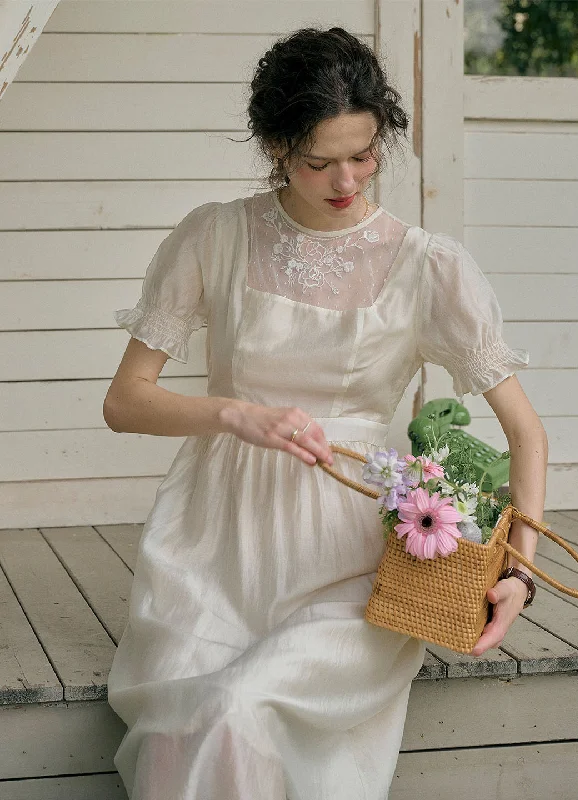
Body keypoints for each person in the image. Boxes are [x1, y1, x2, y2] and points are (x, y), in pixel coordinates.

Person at [104, 26, 548, 800]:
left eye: (365, 153)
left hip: (353, 553)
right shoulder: (216, 235)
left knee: (240, 708)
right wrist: (234, 415)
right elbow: (124, 402)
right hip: (212, 545)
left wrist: (522, 572)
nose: (347, 178)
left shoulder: (426, 265)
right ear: (276, 145)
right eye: (320, 161)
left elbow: (525, 432)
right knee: (190, 718)